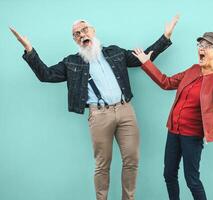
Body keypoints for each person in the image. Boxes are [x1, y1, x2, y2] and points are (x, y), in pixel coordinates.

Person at [9, 15, 179, 200]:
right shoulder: (71, 62)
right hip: (99, 116)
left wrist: (165, 37)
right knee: (102, 164)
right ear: (75, 40)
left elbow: (142, 58)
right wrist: (29, 50)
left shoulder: (115, 52)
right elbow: (46, 75)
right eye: (76, 34)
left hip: (125, 111)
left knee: (131, 161)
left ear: (93, 31)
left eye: (84, 30)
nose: (82, 35)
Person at [132, 32, 213, 200]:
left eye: (206, 46)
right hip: (173, 130)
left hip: (193, 135)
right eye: (200, 46)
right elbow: (166, 83)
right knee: (169, 174)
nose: (201, 49)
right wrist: (146, 62)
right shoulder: (193, 70)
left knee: (192, 180)